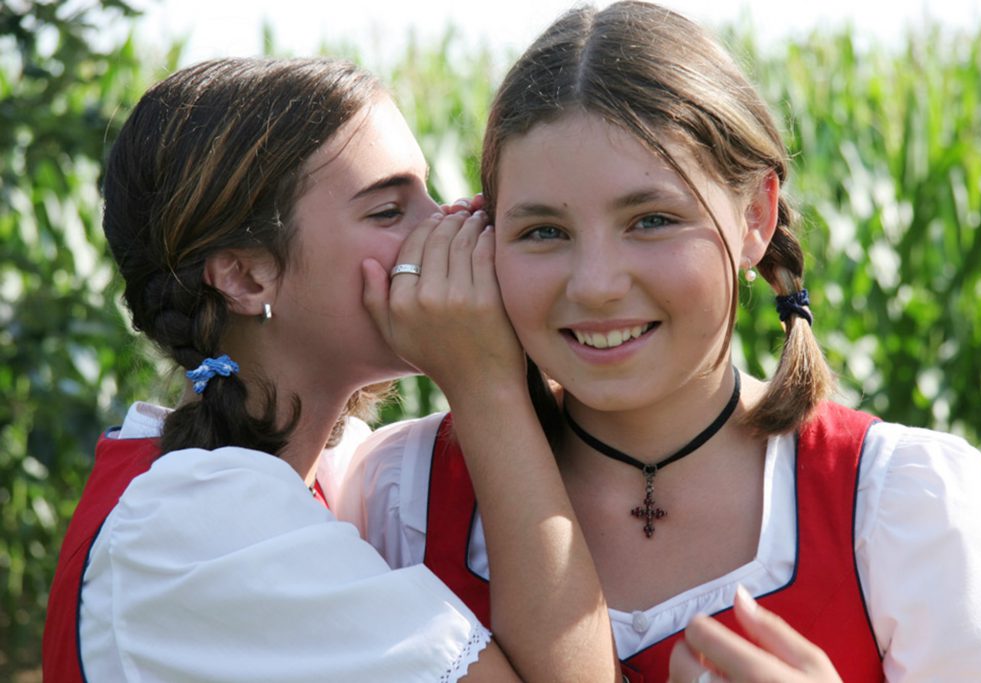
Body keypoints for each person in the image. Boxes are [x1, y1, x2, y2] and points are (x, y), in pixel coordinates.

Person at [340, 3, 981, 681]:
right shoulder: (401, 493)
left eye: (653, 219)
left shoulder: (902, 505)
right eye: (543, 231)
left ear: (755, 215)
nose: (598, 284)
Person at [41, 56, 620, 682]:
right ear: (246, 275)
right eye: (389, 211)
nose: (455, 220)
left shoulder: (340, 475)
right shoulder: (200, 527)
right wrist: (483, 383)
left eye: (427, 191)